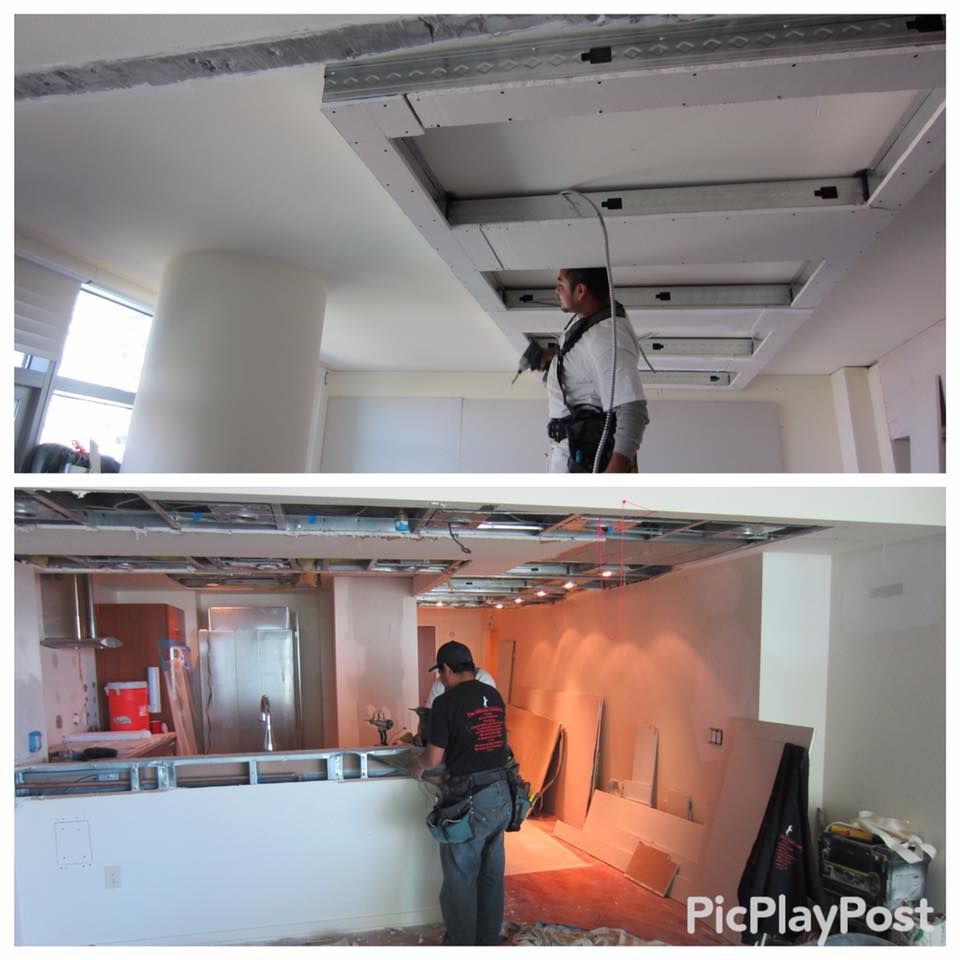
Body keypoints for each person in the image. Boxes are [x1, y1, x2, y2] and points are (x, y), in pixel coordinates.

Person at [414, 640, 513, 946]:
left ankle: (461, 944)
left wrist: (415, 766)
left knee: (459, 875)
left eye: (441, 673)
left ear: (446, 669)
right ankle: (486, 940)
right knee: (491, 874)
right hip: (502, 795)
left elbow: (433, 759)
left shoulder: (446, 702)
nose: (441, 679)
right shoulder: (494, 695)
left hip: (470, 800)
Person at [542, 267, 649, 472]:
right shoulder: (589, 324)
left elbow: (633, 411)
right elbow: (582, 378)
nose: (556, 290)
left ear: (580, 291)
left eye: (561, 284)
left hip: (583, 460)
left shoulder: (606, 338)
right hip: (571, 451)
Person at [425, 664, 496, 707]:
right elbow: (429, 712)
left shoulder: (484, 679)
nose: (440, 676)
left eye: (441, 672)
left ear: (448, 670)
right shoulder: (440, 682)